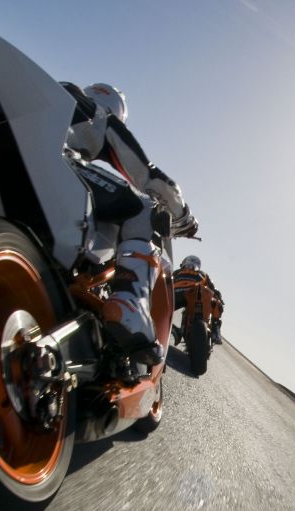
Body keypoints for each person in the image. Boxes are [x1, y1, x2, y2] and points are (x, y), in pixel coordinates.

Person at [64, 82, 199, 365]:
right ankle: (129, 302)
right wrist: (183, 216)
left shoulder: (47, 93)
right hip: (57, 165)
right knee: (145, 207)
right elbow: (148, 177)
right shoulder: (97, 114)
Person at [172, 255, 224, 344]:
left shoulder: (202, 274)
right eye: (189, 264)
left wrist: (218, 297)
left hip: (195, 295)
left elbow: (213, 288)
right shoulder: (176, 273)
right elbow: (165, 283)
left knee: (217, 304)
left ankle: (215, 329)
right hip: (177, 295)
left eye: (193, 265)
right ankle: (171, 329)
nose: (190, 267)